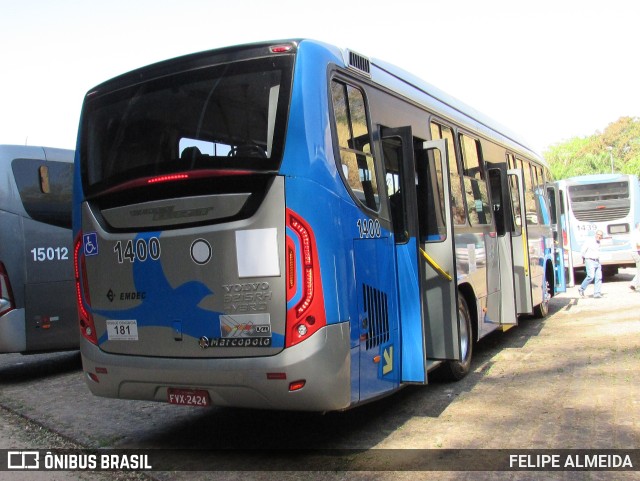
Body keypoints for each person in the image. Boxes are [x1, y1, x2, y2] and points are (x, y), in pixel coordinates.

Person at [578, 230, 604, 298]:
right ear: (595, 234)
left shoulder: (599, 242)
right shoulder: (589, 241)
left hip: (597, 261)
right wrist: (583, 257)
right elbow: (583, 249)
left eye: (601, 235)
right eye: (598, 234)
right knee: (591, 276)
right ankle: (581, 288)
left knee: (599, 277)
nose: (599, 236)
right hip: (589, 260)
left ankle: (597, 293)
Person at [630, 222, 640, 292]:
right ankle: (635, 284)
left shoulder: (634, 233)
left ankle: (634, 283)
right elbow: (638, 245)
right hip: (637, 252)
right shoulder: (637, 233)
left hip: (635, 252)